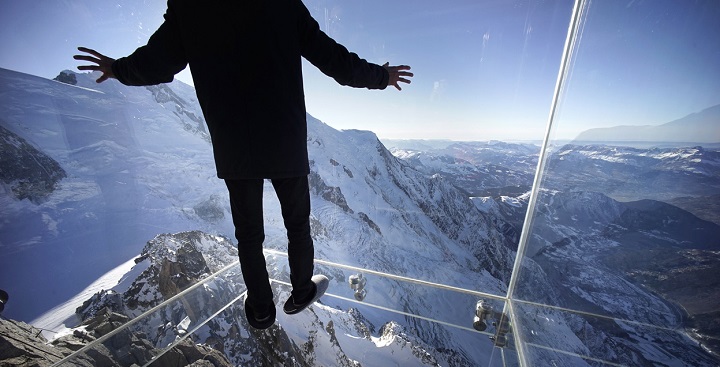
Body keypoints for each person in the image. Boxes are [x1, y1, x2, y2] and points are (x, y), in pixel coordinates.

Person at [74, 0, 412, 330]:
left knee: (249, 235)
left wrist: (117, 69)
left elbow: (156, 63)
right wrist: (381, 76)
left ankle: (262, 309)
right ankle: (301, 291)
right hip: (285, 138)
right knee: (297, 224)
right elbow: (335, 61)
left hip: (235, 144)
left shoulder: (190, 7)